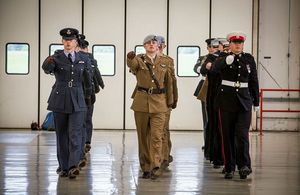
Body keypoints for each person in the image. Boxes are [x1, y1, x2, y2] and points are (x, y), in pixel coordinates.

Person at [42, 28, 92, 179]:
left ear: (76, 42)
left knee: (75, 134)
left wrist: (88, 98)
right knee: (62, 135)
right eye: (66, 40)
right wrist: (47, 63)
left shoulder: (84, 58)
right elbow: (47, 70)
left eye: (71, 40)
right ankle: (63, 167)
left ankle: (72, 166)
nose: (68, 42)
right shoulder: (56, 57)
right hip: (60, 98)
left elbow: (87, 79)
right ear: (62, 41)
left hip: (78, 99)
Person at [212, 32, 259, 179]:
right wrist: (226, 61)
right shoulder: (223, 58)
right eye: (235, 43)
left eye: (240, 43)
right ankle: (229, 167)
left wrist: (256, 101)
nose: (238, 45)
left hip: (244, 101)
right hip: (226, 101)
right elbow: (214, 69)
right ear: (230, 44)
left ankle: (244, 165)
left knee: (242, 135)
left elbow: (253, 80)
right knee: (227, 136)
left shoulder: (248, 59)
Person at [127, 35, 174, 179]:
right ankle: (146, 166)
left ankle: (155, 165)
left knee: (157, 136)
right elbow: (132, 65)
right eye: (148, 43)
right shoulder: (139, 59)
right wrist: (130, 58)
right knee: (143, 137)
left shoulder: (165, 61)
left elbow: (170, 83)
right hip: (141, 103)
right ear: (144, 46)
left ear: (158, 45)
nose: (152, 45)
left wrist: (171, 102)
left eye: (154, 43)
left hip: (160, 103)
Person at [77, 35, 105, 155]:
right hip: (77, 93)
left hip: (89, 94)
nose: (84, 49)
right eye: (81, 47)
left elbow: (96, 73)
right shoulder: (74, 59)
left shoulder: (92, 60)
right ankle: (80, 141)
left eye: (85, 47)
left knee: (87, 118)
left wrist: (101, 83)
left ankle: (87, 142)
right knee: (79, 120)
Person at [156, 35, 178, 169]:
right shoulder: (144, 59)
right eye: (156, 44)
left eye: (161, 45)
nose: (158, 47)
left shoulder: (168, 60)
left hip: (164, 99)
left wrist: (173, 99)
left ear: (164, 46)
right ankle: (154, 157)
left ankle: (164, 157)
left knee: (163, 129)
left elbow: (173, 81)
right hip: (149, 99)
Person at [193, 38, 219, 153]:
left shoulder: (221, 57)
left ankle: (216, 142)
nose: (212, 49)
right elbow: (196, 68)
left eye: (215, 47)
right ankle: (207, 142)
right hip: (206, 86)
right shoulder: (203, 58)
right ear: (207, 48)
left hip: (218, 87)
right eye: (210, 47)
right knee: (207, 117)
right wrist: (204, 68)